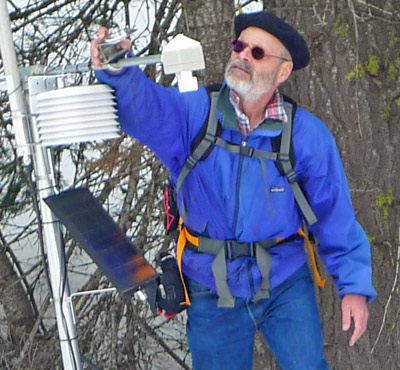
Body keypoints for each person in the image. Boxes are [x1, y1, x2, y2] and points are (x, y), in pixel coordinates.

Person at [91, 10, 376, 370]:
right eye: (240, 46)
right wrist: (118, 68)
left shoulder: (306, 135)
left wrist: (353, 286)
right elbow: (147, 109)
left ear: (283, 71)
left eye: (258, 53)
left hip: (284, 280)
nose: (243, 54)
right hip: (210, 283)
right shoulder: (196, 114)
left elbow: (335, 215)